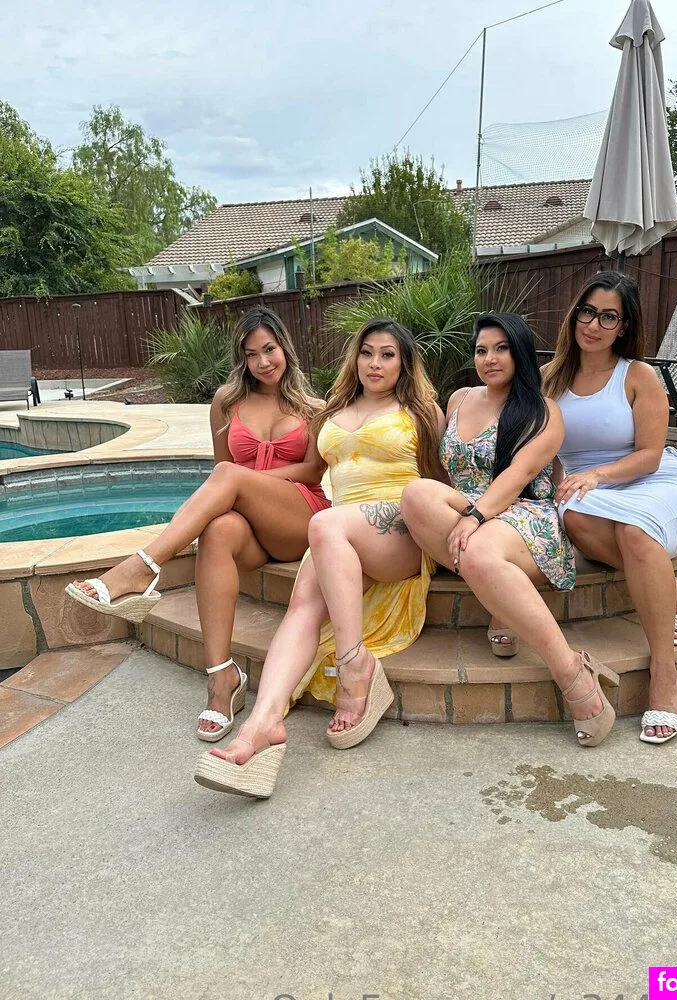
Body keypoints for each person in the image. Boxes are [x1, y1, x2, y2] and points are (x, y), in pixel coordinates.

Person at [193, 317, 445, 799]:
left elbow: (441, 482)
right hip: (340, 535)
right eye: (366, 353)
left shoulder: (422, 411)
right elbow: (311, 471)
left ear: (405, 362)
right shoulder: (334, 408)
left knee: (325, 523)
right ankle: (261, 727)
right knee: (303, 606)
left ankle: (354, 667)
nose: (375, 363)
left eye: (387, 354)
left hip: (398, 528)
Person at [66, 307, 329, 742]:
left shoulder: (314, 408)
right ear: (242, 359)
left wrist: (247, 480)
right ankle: (221, 677)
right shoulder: (226, 401)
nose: (263, 362)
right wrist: (238, 485)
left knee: (228, 477)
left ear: (285, 347)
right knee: (218, 529)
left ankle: (142, 567)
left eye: (269, 349)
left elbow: (312, 471)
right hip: (248, 524)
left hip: (297, 517)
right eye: (251, 354)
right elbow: (220, 468)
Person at [400, 313, 620, 750]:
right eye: (481, 350)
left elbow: (519, 475)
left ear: (519, 352)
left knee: (478, 550)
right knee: (416, 494)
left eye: (501, 348)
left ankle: (573, 673)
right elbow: (443, 473)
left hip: (525, 516)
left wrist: (475, 517)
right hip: (469, 512)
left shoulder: (544, 411)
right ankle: (499, 593)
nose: (490, 358)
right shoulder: (459, 399)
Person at [545, 270, 677, 745]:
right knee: (574, 517)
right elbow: (543, 448)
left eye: (608, 317)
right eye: (587, 312)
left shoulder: (638, 376)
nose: (593, 325)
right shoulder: (549, 378)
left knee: (635, 532)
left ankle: (665, 674)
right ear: (575, 314)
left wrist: (598, 474)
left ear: (623, 327)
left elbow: (650, 455)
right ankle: (671, 587)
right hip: (588, 491)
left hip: (655, 481)